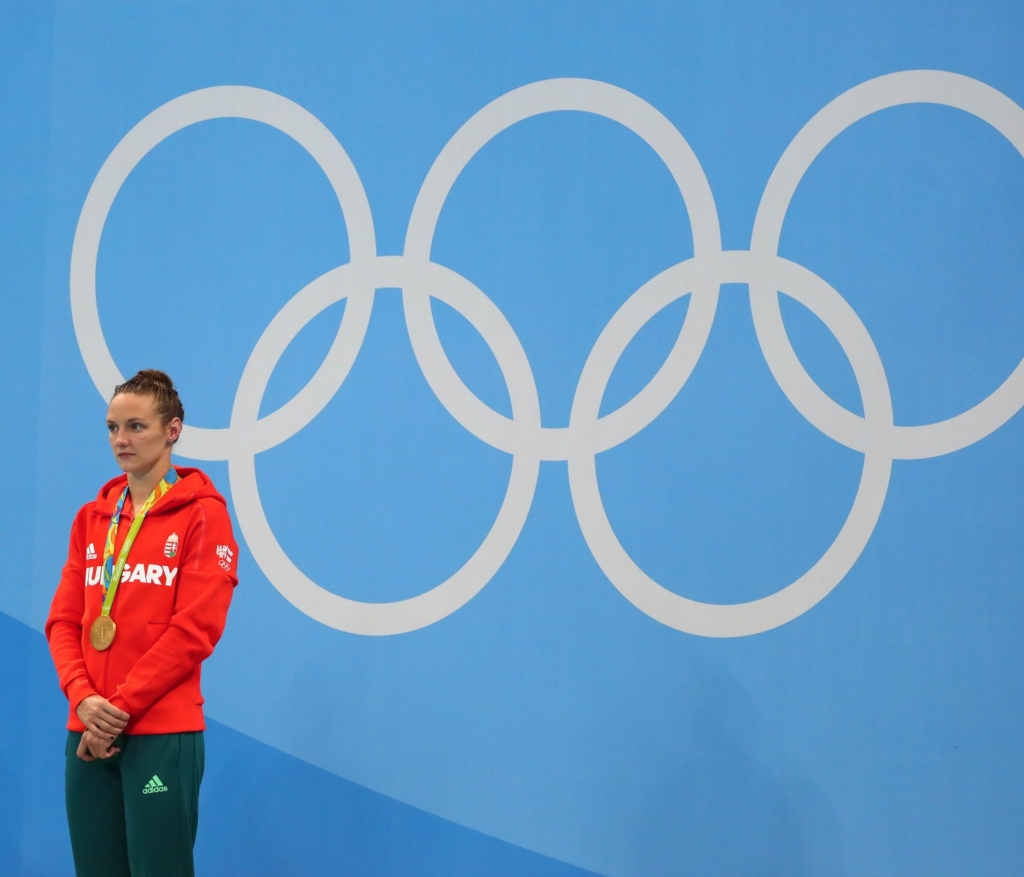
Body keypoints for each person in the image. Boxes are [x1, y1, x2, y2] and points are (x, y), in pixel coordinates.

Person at [46, 369, 238, 877]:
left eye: (136, 426)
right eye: (111, 427)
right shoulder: (91, 519)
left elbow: (194, 632)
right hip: (86, 729)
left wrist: (118, 709)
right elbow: (64, 622)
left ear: (172, 430)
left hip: (158, 730)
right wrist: (82, 698)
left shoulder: (203, 515)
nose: (120, 440)